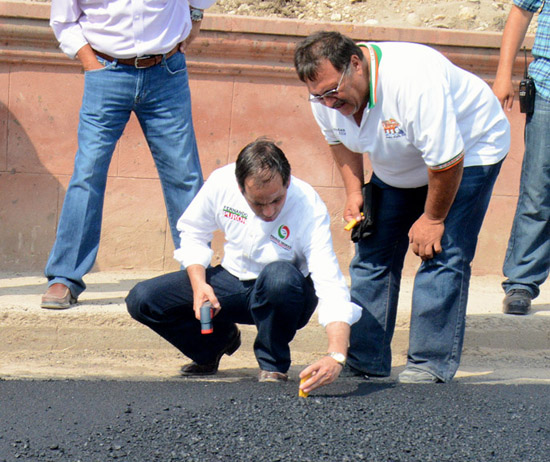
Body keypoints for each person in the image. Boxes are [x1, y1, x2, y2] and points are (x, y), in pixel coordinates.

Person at [294, 31, 511, 383]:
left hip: (470, 151)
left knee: (441, 252)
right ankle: (366, 360)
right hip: (403, 161)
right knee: (371, 251)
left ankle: (429, 363)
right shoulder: (325, 98)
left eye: (333, 92)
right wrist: (354, 191)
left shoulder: (413, 81)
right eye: (319, 97)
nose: (329, 103)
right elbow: (337, 139)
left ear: (355, 63)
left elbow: (446, 161)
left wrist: (433, 217)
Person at [126, 139, 362, 393]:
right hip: (232, 280)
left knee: (278, 276)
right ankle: (214, 345)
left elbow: (329, 280)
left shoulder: (308, 205)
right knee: (143, 298)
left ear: (288, 182)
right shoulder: (221, 183)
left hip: (286, 292)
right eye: (258, 203)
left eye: (277, 200)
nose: (269, 211)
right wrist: (199, 285)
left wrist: (336, 354)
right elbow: (193, 232)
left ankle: (273, 364)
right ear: (240, 188)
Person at [42, 0, 215, 310]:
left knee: (184, 175)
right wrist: (91, 64)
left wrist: (196, 16)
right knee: (88, 171)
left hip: (167, 72)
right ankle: (64, 277)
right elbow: (64, 21)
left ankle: (196, 278)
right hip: (105, 71)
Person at [494, 1, 550, 315]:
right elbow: (521, 11)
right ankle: (521, 281)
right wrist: (504, 75)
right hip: (548, 89)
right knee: (538, 189)